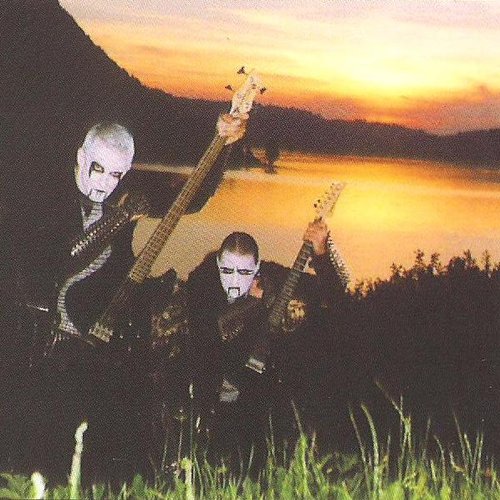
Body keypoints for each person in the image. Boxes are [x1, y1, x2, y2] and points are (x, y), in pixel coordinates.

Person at [13, 115, 246, 482]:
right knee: (42, 453)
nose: (105, 184)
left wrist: (223, 145)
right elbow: (57, 263)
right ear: (81, 156)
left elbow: (191, 197)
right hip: (46, 343)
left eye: (116, 175)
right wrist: (119, 218)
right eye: (98, 169)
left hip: (108, 338)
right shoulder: (45, 196)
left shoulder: (127, 194)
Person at [179, 221, 348, 463]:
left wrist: (321, 253)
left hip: (267, 394)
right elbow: (209, 336)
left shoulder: (272, 276)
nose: (235, 280)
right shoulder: (202, 282)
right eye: (227, 271)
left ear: (257, 268)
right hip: (216, 391)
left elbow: (333, 295)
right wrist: (252, 304)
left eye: (244, 272)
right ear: (217, 264)